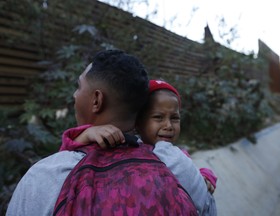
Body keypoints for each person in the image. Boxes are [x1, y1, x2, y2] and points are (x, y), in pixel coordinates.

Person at [6, 50, 198, 215]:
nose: (74, 95)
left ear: (97, 100)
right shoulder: (181, 168)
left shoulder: (44, 178)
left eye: (79, 86)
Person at [60, 80, 217, 215]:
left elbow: (192, 173)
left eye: (175, 118)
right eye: (158, 117)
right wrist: (86, 134)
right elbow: (67, 153)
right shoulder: (125, 146)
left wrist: (205, 176)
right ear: (138, 122)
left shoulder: (176, 155)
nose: (168, 126)